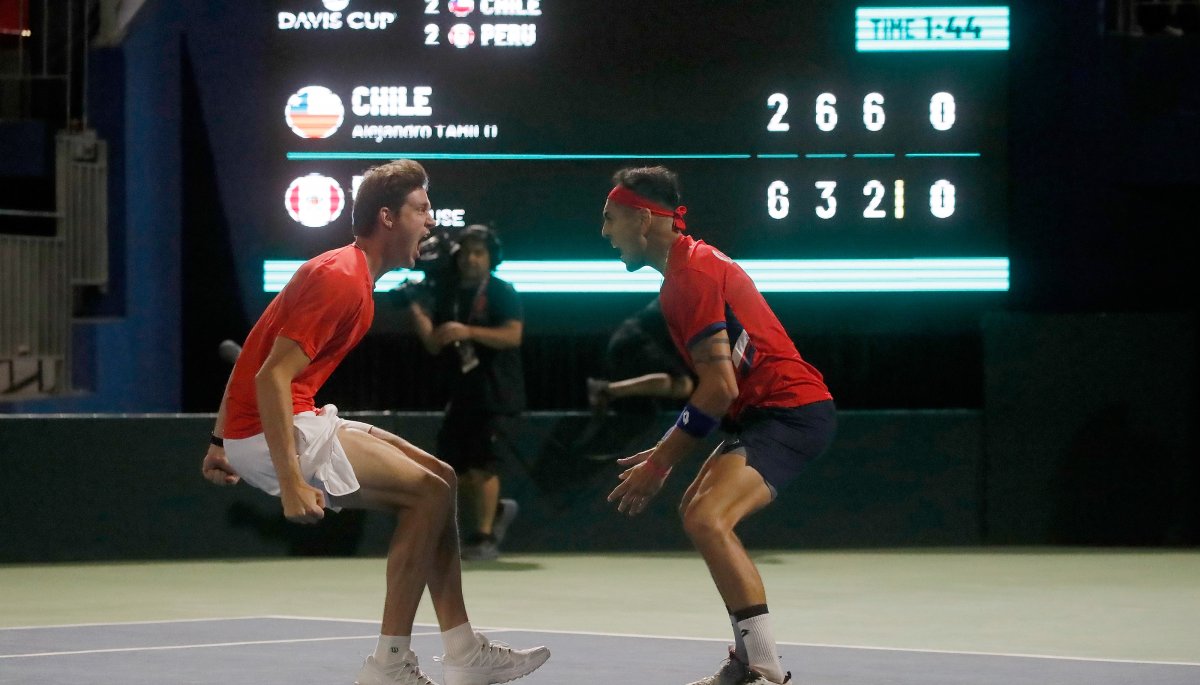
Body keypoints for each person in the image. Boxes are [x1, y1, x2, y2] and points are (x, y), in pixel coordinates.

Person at [200, 160, 550, 685]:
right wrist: (291, 480)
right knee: (425, 496)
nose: (430, 222)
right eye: (421, 208)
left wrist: (216, 440)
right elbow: (272, 375)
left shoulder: (351, 276)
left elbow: (254, 347)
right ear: (387, 217)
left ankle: (463, 650)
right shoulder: (341, 279)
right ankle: (390, 664)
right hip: (275, 430)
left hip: (269, 426)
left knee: (443, 481)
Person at [600, 166, 836, 685]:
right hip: (758, 416)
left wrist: (661, 462)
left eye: (610, 219)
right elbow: (718, 386)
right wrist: (665, 449)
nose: (604, 232)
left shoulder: (694, 276)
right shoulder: (682, 275)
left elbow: (719, 388)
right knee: (697, 514)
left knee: (708, 518)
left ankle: (766, 670)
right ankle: (747, 660)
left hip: (790, 412)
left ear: (642, 219)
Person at [407, 224, 525, 562]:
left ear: (491, 258)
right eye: (467, 253)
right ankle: (497, 510)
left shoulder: (502, 291)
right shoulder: (449, 293)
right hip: (461, 392)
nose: (471, 259)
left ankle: (486, 537)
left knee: (482, 466)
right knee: (454, 467)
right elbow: (433, 343)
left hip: (495, 391)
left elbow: (512, 336)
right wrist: (417, 310)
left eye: (479, 253)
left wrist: (467, 330)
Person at [586, 295, 695, 417]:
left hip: (627, 339)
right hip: (635, 341)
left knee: (647, 414)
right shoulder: (694, 295)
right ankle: (606, 390)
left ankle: (608, 392)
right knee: (683, 383)